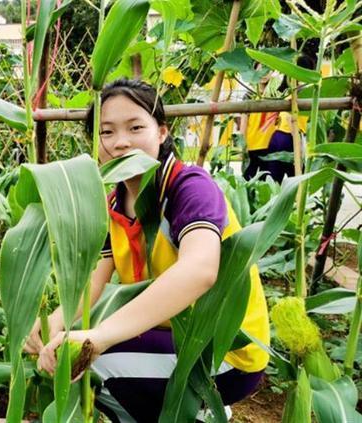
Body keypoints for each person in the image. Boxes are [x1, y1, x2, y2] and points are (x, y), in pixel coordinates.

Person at [26, 79, 270, 422]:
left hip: (225, 351)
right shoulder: (114, 204)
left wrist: (98, 338)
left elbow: (200, 270)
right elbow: (93, 284)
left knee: (97, 365)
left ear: (161, 132)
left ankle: (198, 411)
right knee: (67, 354)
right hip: (172, 339)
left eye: (135, 127)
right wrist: (51, 326)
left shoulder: (189, 188)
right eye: (106, 132)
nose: (120, 142)